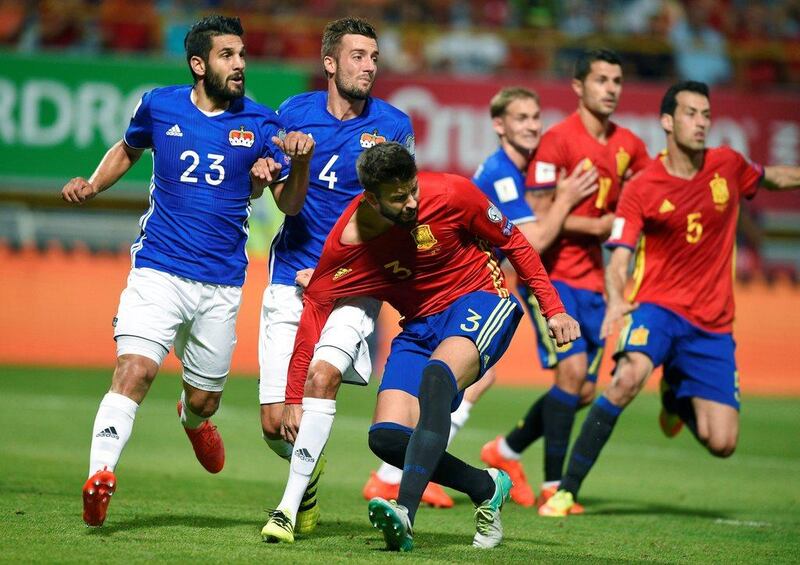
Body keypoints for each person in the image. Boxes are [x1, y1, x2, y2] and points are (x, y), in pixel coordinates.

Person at [62, 15, 315, 528]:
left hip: (220, 283)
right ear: (199, 64)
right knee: (135, 370)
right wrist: (92, 184)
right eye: (228, 55)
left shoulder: (264, 124)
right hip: (157, 267)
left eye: (242, 54)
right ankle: (101, 476)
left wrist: (288, 170)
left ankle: (193, 419)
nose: (240, 64)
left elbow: (290, 204)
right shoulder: (160, 104)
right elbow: (128, 149)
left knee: (204, 398)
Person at [276, 142, 580, 551]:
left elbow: (516, 243)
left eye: (413, 189)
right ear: (371, 198)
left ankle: (404, 513)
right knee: (385, 438)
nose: (412, 203)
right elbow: (314, 305)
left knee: (436, 378)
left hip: (480, 301)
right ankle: (484, 485)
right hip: (419, 327)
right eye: (399, 198)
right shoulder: (348, 243)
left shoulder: (454, 194)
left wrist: (553, 309)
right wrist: (294, 394)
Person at [540, 81, 800, 517]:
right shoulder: (643, 187)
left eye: (705, 115)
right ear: (667, 120)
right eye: (690, 114)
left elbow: (771, 176)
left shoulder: (728, 165)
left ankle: (675, 397)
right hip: (657, 309)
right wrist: (618, 299)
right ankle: (567, 491)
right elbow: (619, 257)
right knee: (625, 380)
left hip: (713, 323)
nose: (701, 123)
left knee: (723, 443)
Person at [361, 86, 598, 509]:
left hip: (477, 298)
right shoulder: (501, 172)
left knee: (476, 380)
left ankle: (478, 459)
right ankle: (398, 475)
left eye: (535, 117)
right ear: (499, 125)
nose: (532, 125)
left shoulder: (527, 172)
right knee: (455, 380)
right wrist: (571, 207)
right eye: (521, 117)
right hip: (473, 295)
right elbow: (531, 239)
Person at [258, 17, 416, 541]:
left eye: (374, 57)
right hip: (290, 276)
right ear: (330, 63)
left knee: (320, 378)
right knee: (276, 424)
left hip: (355, 284)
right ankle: (309, 477)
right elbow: (288, 202)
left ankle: (284, 509)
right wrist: (288, 165)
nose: (369, 66)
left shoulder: (394, 126)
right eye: (357, 56)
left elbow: (402, 212)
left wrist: (343, 266)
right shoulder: (293, 114)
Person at [480, 49, 651, 512]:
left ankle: (506, 450)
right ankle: (554, 487)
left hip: (599, 283)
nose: (611, 88)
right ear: (579, 86)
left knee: (585, 388)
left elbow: (648, 196)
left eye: (617, 79)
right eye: (601, 79)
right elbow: (534, 222)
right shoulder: (557, 142)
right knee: (572, 374)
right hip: (552, 280)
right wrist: (596, 225)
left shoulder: (630, 146)